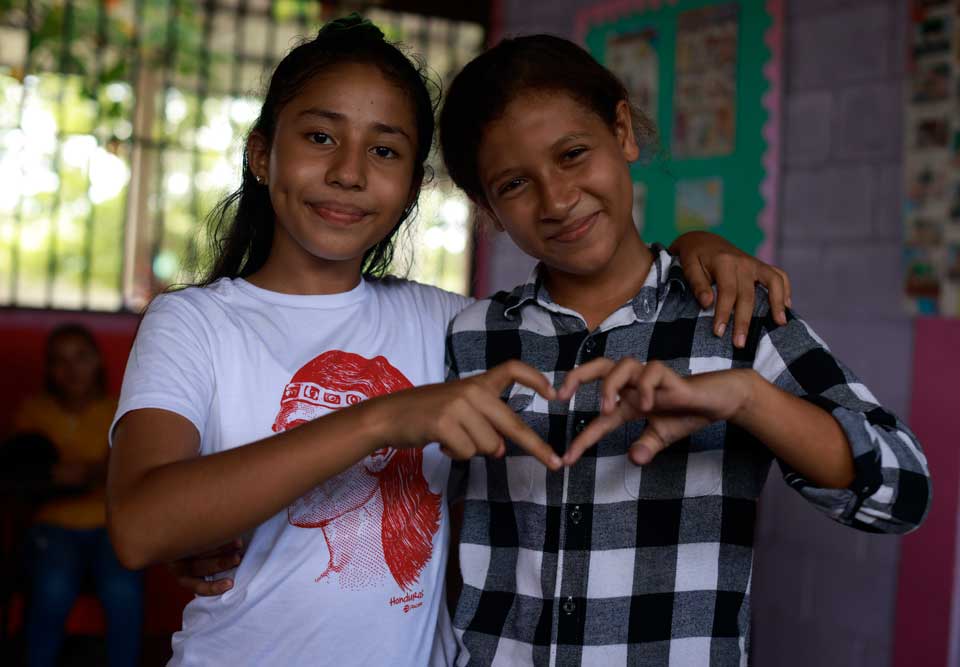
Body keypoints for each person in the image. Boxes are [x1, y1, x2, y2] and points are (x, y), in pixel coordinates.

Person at [107, 16, 791, 666]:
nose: (349, 172)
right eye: (320, 137)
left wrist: (697, 249)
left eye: (384, 150)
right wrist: (381, 419)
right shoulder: (193, 322)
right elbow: (140, 527)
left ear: (413, 187)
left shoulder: (453, 326)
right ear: (262, 153)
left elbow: (583, 299)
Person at [436, 35, 932, 665]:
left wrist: (749, 399)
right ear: (487, 208)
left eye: (573, 154)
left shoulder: (734, 316)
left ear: (622, 131)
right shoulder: (471, 336)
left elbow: (902, 494)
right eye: (514, 184)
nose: (557, 200)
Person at [11, 324, 143, 667]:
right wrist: (78, 474)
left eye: (81, 357)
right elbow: (24, 474)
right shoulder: (34, 412)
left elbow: (129, 471)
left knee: (122, 591)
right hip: (52, 527)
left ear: (98, 360)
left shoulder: (119, 408)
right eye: (60, 360)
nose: (72, 369)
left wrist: (78, 474)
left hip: (110, 526)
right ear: (49, 369)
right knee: (52, 587)